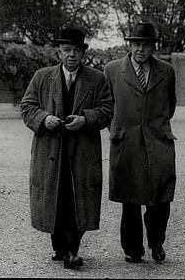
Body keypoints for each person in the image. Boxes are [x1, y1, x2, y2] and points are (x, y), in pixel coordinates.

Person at [20, 27, 113, 269]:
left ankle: (72, 250)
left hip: (83, 152)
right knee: (56, 197)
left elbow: (107, 110)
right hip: (51, 151)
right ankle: (60, 247)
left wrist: (86, 119)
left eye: (76, 50)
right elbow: (27, 106)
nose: (71, 55)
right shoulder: (42, 77)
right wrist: (43, 119)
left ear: (83, 53)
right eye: (66, 50)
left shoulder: (97, 78)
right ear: (58, 53)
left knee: (78, 199)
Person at [103, 21, 177, 264]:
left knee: (160, 197)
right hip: (126, 142)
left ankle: (157, 243)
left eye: (145, 45)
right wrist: (117, 129)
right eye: (136, 44)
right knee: (130, 200)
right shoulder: (113, 70)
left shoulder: (166, 71)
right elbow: (107, 105)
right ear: (130, 45)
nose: (140, 50)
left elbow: (170, 105)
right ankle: (132, 249)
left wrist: (156, 127)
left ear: (152, 47)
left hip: (158, 141)